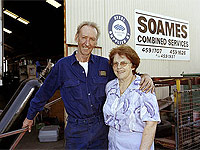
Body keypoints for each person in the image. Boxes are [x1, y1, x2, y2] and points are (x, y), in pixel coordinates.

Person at [22, 21, 155, 149]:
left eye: (92, 39)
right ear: (76, 38)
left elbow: (125, 75)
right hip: (76, 130)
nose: (87, 43)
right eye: (84, 38)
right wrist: (30, 116)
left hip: (100, 129)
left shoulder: (104, 65)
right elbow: (44, 92)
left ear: (96, 42)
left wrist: (144, 76)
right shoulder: (62, 66)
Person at [103, 45, 160, 150]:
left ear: (133, 66)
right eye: (115, 64)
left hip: (135, 144)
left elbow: (151, 124)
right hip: (113, 143)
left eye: (123, 63)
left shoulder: (144, 87)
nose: (119, 67)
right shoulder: (110, 87)